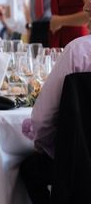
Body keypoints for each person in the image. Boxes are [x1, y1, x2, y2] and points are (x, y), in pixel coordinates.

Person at [20, 35, 91, 203]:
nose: (85, 7)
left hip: (80, 167)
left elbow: (42, 120)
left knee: (29, 168)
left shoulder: (77, 51)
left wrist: (42, 144)